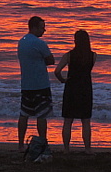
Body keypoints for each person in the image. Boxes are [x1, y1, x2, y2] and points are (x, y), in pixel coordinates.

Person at [54, 30, 97, 154]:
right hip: (85, 88)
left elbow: (57, 71)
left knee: (68, 120)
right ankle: (88, 148)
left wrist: (62, 80)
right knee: (85, 120)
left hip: (71, 87)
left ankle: (66, 149)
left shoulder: (69, 55)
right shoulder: (93, 56)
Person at [17, 16, 55, 151]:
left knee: (24, 114)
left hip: (26, 84)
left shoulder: (22, 42)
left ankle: (21, 144)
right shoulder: (40, 43)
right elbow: (51, 60)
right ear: (34, 27)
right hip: (40, 84)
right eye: (41, 27)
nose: (44, 30)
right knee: (42, 115)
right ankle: (42, 141)